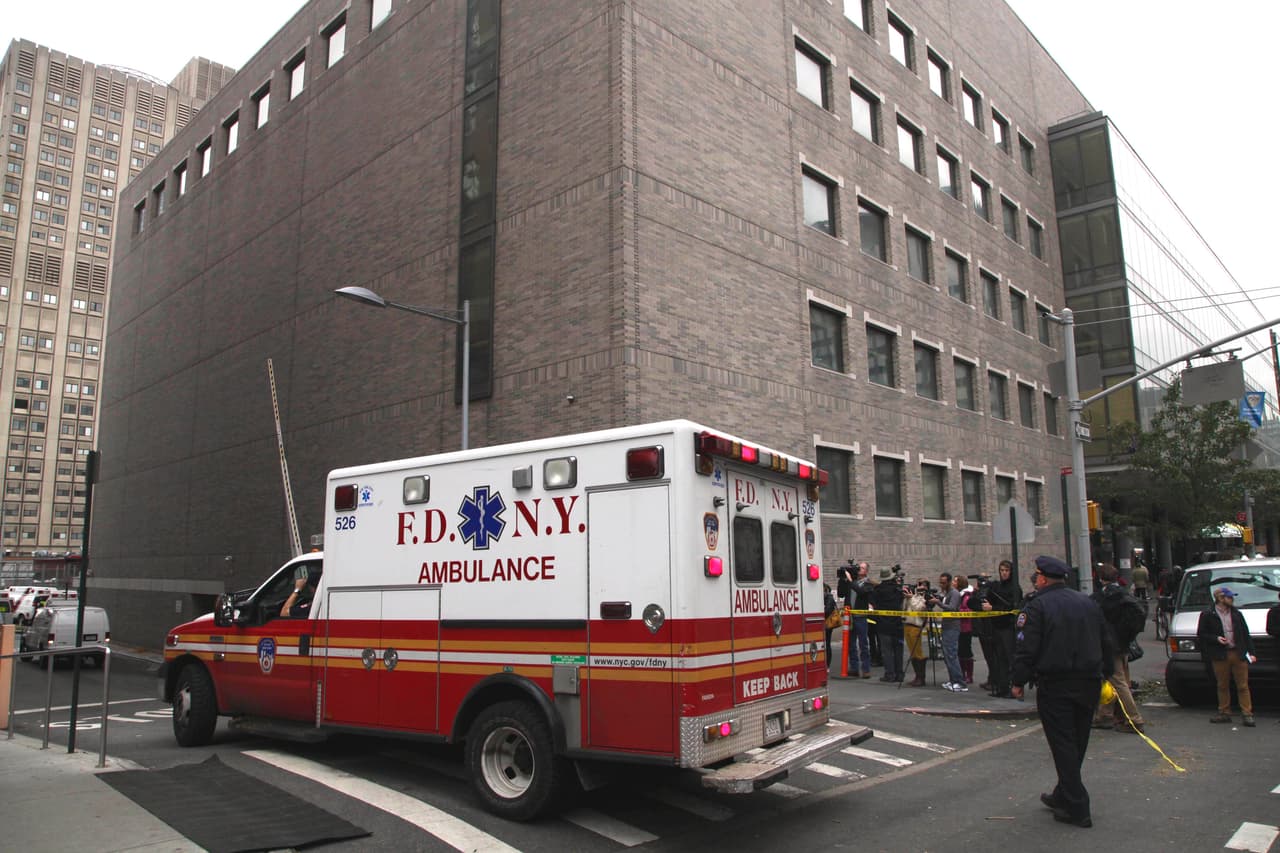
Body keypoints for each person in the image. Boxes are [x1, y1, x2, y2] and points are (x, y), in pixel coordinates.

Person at [1011, 555, 1112, 829]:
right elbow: (1106, 639)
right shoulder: (1087, 602)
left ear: (1042, 578)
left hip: (1057, 683)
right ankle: (1063, 795)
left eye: (1037, 575)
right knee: (1077, 740)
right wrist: (1109, 673)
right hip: (1089, 681)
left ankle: (1078, 805)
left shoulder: (1038, 605)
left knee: (1063, 743)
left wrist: (1018, 680)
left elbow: (1027, 647)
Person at [1090, 564, 1147, 733]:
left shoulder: (1102, 597)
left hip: (1109, 645)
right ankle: (1104, 715)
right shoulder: (1123, 594)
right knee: (1112, 680)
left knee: (1118, 682)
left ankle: (1134, 720)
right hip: (1122, 643)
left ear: (1101, 578)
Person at [1197, 586, 1255, 727]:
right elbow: (1202, 634)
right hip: (1220, 654)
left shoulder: (1236, 614)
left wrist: (1251, 653)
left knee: (1243, 685)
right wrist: (1216, 639)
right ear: (1220, 598)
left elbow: (1245, 634)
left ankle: (1247, 714)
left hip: (1238, 652)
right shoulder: (1208, 614)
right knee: (1222, 685)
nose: (1232, 599)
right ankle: (1224, 712)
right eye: (1229, 597)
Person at [982, 559, 1022, 698]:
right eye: (1002, 570)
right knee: (999, 658)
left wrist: (993, 608)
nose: (1004, 573)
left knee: (1010, 657)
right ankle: (1002, 687)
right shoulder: (997, 587)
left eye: (1006, 570)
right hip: (996, 626)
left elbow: (1012, 607)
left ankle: (1013, 687)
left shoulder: (1015, 588)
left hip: (1009, 627)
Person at [929, 572, 966, 692]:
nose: (941, 585)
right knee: (947, 655)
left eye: (944, 583)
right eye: (940, 582)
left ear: (949, 582)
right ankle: (953, 679)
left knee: (951, 654)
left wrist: (938, 603)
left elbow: (953, 608)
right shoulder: (946, 593)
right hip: (946, 626)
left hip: (952, 627)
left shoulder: (954, 593)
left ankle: (960, 681)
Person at [870, 567, 905, 682]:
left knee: (887, 651)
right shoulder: (898, 589)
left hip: (883, 624)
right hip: (897, 624)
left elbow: (873, 603)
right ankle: (899, 674)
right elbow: (901, 602)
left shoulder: (877, 590)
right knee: (898, 650)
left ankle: (890, 674)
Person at [847, 562, 874, 678]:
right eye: (859, 567)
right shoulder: (852, 582)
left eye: (862, 568)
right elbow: (841, 593)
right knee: (851, 644)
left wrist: (850, 581)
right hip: (850, 617)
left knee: (863, 644)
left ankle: (866, 669)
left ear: (866, 571)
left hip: (861, 617)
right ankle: (854, 667)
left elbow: (861, 591)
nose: (859, 569)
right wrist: (843, 580)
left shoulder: (868, 583)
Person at [903, 580, 929, 686]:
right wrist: (906, 597)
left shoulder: (925, 598)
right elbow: (904, 608)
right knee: (912, 652)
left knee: (917, 652)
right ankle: (916, 675)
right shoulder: (913, 595)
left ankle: (921, 677)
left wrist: (911, 598)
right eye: (918, 585)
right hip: (907, 624)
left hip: (916, 625)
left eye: (922, 585)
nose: (919, 587)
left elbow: (918, 609)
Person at [956, 574, 975, 685]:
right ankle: (962, 673)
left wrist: (958, 611)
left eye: (955, 581)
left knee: (966, 652)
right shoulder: (959, 595)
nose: (953, 583)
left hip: (966, 627)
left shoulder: (966, 597)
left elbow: (968, 611)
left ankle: (969, 675)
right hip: (959, 627)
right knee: (960, 652)